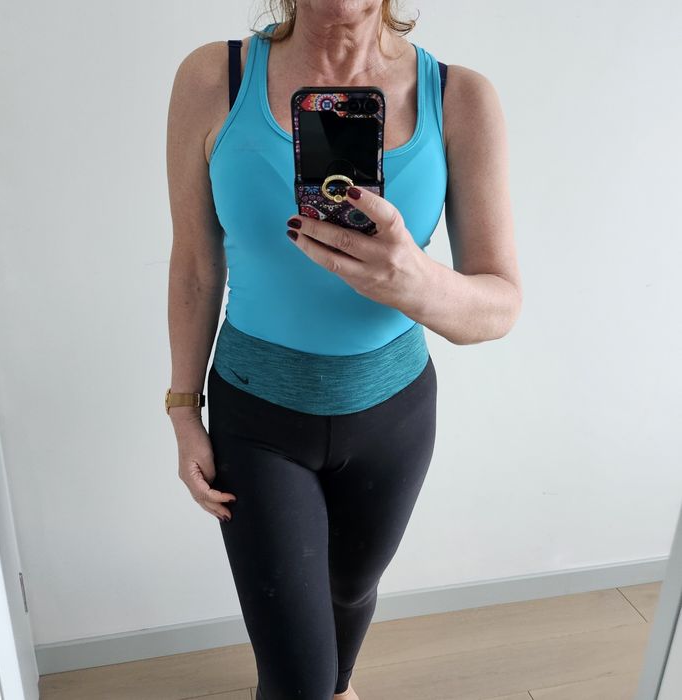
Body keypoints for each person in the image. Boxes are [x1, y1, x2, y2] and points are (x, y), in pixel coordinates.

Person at [165, 1, 522, 698]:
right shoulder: (215, 78)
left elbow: (500, 306)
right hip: (257, 419)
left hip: (393, 419)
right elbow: (195, 264)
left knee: (350, 592)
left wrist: (413, 280)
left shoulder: (460, 98)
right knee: (294, 680)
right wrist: (183, 408)